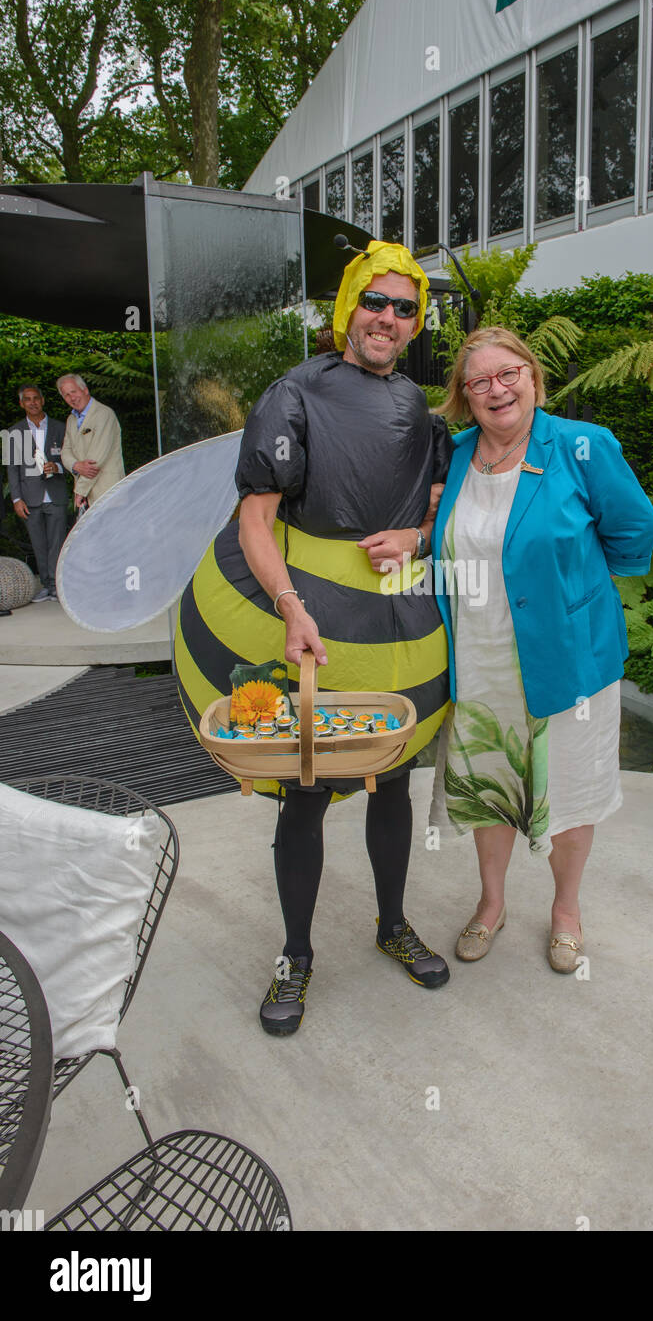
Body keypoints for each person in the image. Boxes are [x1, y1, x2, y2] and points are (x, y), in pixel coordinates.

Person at [175, 241, 454, 1035]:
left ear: (414, 324)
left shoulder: (418, 411)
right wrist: (293, 607)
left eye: (405, 309)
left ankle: (391, 923)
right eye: (376, 302)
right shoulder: (293, 395)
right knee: (303, 790)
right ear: (348, 308)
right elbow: (255, 519)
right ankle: (294, 956)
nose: (389, 319)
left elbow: (438, 507)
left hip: (399, 630)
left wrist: (419, 538)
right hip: (318, 636)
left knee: (391, 779)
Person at [429, 327, 653, 972]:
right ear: (465, 396)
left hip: (568, 661)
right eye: (480, 382)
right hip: (479, 657)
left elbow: (636, 527)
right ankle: (492, 903)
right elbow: (438, 535)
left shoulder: (582, 447)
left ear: (532, 377)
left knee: (572, 788)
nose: (497, 389)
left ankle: (565, 911)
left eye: (510, 374)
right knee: (490, 786)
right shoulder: (453, 456)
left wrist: (578, 587)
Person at [7, 384, 68, 601]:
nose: (32, 402)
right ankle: (46, 584)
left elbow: (70, 459)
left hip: (56, 494)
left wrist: (58, 467)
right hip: (29, 497)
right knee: (38, 543)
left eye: (36, 398)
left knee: (58, 543)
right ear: (21, 403)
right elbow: (12, 468)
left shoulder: (61, 427)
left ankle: (58, 586)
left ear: (42, 401)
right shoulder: (14, 431)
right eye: (27, 399)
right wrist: (16, 499)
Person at [57, 373, 125, 510]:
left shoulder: (104, 414)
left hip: (107, 492)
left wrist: (80, 491)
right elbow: (65, 452)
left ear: (85, 390)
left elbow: (96, 461)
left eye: (74, 392)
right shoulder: (71, 420)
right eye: (67, 395)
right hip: (86, 496)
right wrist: (75, 465)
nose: (72, 398)